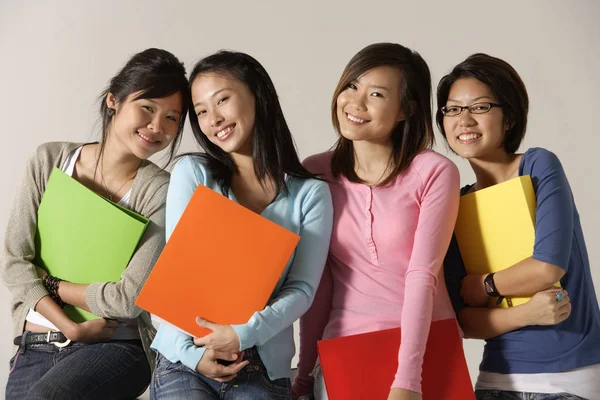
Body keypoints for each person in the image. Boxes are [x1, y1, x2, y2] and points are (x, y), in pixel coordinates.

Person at [2, 47, 189, 400]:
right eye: (147, 108)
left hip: (116, 348)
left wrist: (49, 283)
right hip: (37, 342)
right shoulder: (50, 160)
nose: (156, 127)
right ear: (113, 100)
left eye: (171, 118)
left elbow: (129, 299)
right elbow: (14, 261)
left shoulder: (160, 190)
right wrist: (70, 326)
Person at [149, 50, 333, 400]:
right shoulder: (195, 174)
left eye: (223, 100)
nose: (213, 118)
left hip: (260, 367)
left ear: (258, 96)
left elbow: (301, 290)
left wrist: (243, 334)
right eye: (201, 111)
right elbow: (175, 280)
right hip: (188, 355)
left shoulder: (310, 194)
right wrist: (192, 353)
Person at [293, 42, 460, 400]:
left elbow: (422, 276)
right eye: (352, 85)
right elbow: (319, 281)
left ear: (406, 109)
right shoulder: (315, 172)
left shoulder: (433, 172)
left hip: (427, 353)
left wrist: (408, 379)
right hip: (346, 351)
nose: (356, 102)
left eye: (377, 94)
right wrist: (305, 373)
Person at [438, 53, 600, 400]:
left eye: (479, 107)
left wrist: (480, 286)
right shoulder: (455, 200)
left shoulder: (538, 166)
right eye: (452, 109)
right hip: (495, 381)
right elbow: (464, 321)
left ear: (509, 117)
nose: (464, 119)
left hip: (568, 381)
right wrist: (528, 312)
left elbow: (546, 267)